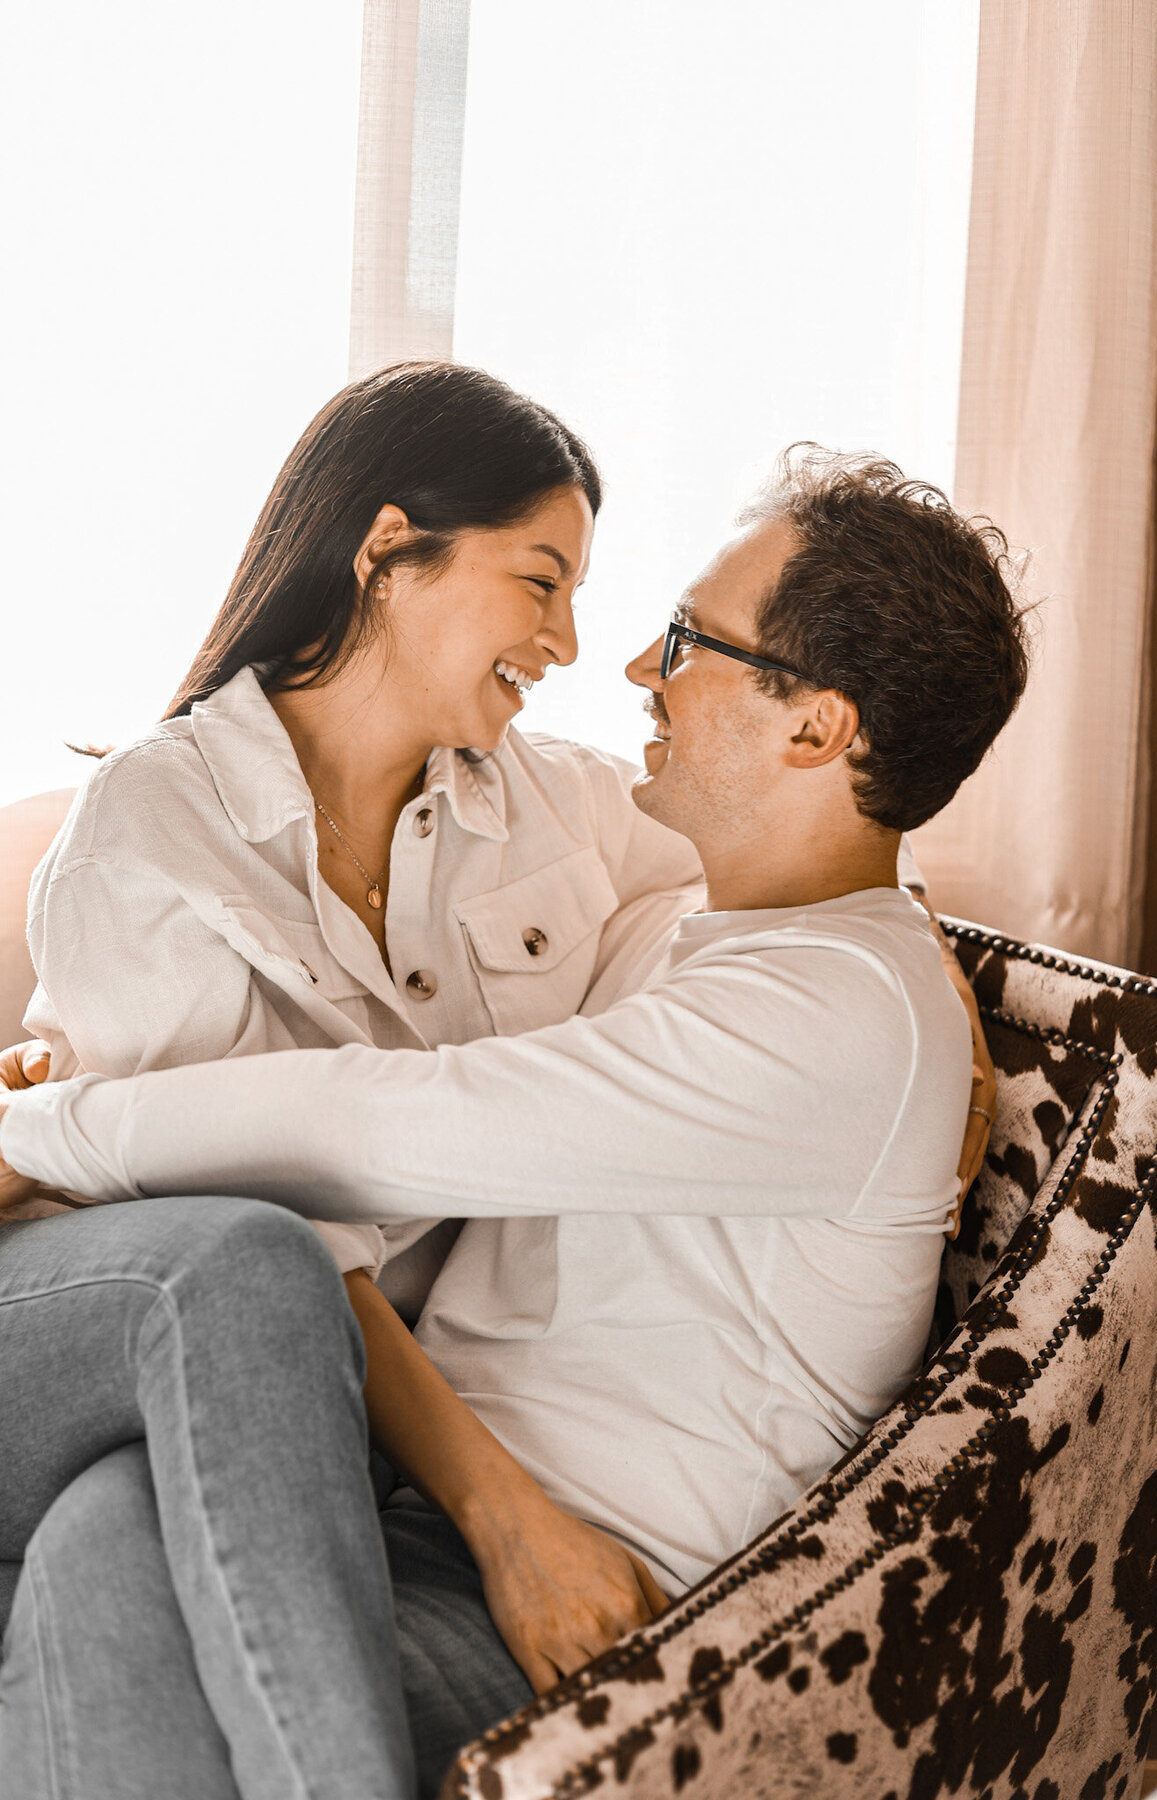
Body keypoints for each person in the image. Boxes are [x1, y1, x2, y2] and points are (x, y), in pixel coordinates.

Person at [0, 444, 1027, 1800]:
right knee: (104, 1526)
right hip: (396, 1517)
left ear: (818, 726)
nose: (634, 671)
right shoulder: (685, 925)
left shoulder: (838, 1018)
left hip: (570, 1605)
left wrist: (42, 1134)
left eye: (687, 642)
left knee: (216, 1331)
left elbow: (393, 1120)